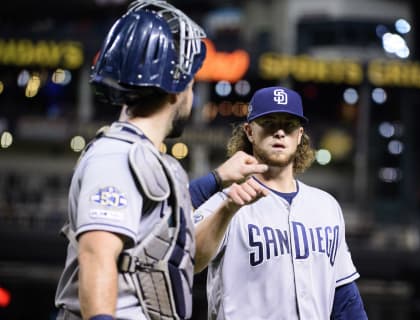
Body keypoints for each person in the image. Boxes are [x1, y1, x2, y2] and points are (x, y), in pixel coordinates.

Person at [54, 1, 267, 319]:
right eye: (191, 84)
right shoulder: (116, 155)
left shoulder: (147, 159)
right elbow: (97, 256)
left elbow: (178, 254)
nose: (191, 96)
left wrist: (221, 185)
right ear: (174, 91)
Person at [194, 86, 368, 319]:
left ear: (299, 135)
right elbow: (190, 260)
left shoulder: (325, 206)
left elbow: (344, 296)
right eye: (269, 123)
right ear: (249, 131)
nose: (279, 132)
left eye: (288, 124)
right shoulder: (225, 199)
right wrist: (226, 211)